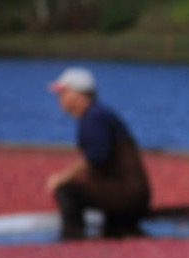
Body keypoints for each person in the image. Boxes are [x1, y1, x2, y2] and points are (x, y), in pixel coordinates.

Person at [46, 67, 151, 239]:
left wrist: (64, 176)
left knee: (66, 191)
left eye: (63, 93)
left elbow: (96, 155)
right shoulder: (98, 115)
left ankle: (72, 237)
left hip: (127, 196)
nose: (59, 98)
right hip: (129, 194)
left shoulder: (94, 118)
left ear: (78, 95)